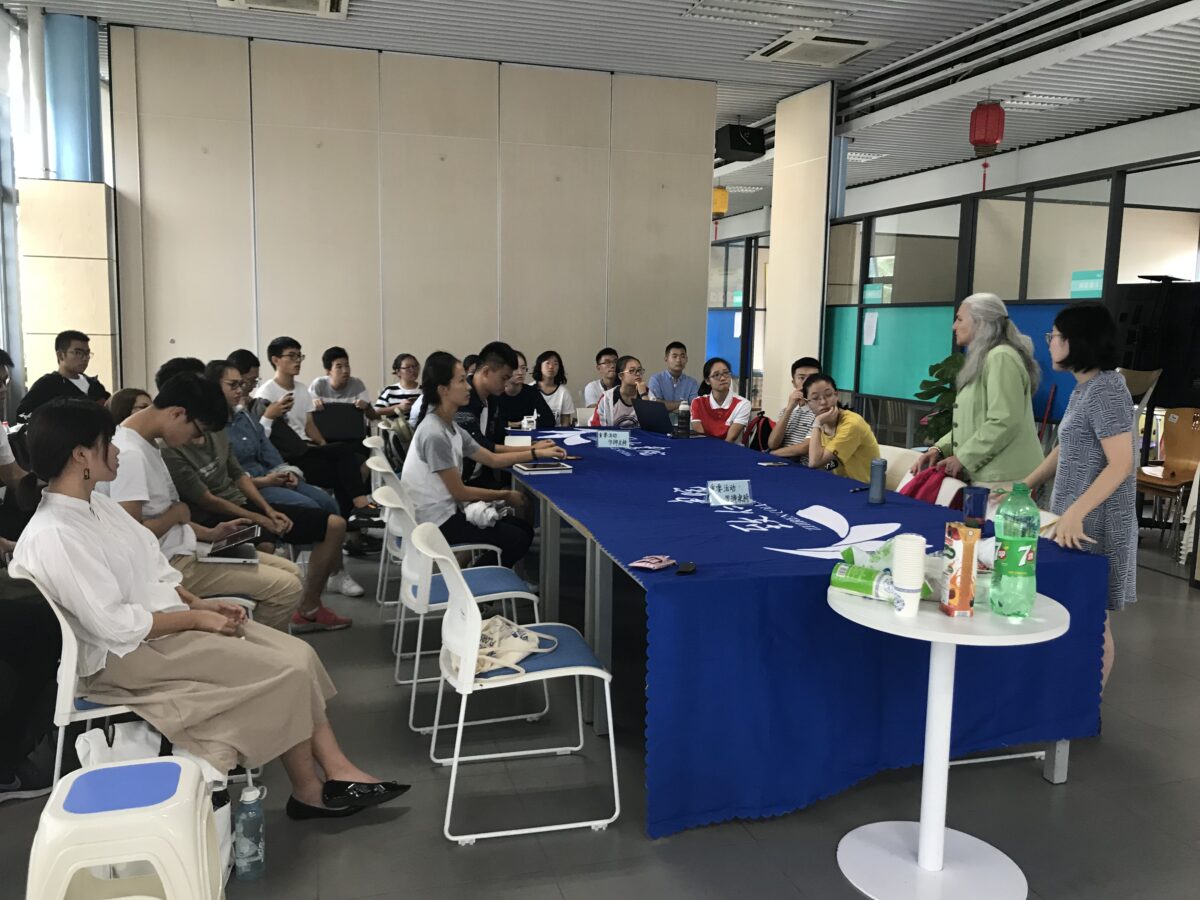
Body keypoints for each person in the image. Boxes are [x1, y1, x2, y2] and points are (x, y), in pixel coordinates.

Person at [13, 399, 409, 819]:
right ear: (80, 456)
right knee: (285, 672)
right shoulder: (56, 532)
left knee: (299, 655)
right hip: (125, 657)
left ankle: (334, 772)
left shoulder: (97, 506)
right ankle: (313, 788)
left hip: (159, 632)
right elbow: (115, 623)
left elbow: (152, 570)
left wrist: (201, 603)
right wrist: (198, 619)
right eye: (106, 442)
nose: (116, 450)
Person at [160, 361, 360, 629]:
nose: (241, 390)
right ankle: (264, 620)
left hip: (243, 505)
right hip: (216, 520)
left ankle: (310, 607)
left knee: (334, 523)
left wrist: (267, 510)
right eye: (233, 384)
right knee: (266, 543)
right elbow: (207, 498)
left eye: (243, 384)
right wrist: (261, 517)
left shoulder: (220, 427)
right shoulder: (171, 446)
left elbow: (238, 475)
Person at [98, 374, 304, 632]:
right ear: (177, 413)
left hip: (184, 549)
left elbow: (161, 513)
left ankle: (252, 648)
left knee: (291, 571)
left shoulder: (146, 444)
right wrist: (177, 514)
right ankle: (254, 655)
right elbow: (129, 538)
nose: (195, 440)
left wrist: (210, 533)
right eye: (197, 431)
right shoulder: (129, 454)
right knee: (287, 587)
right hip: (168, 565)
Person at [1023, 303, 1135, 690]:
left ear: (1076, 341)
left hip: (1096, 519)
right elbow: (1064, 447)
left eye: (1054, 335)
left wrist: (1076, 512)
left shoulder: (1106, 390)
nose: (1050, 342)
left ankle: (1088, 705)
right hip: (1075, 514)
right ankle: (1073, 695)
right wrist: (1027, 483)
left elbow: (1121, 463)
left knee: (1092, 617)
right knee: (1074, 606)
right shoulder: (1085, 387)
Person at [403, 352, 565, 567]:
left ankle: (476, 579)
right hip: (435, 522)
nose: (468, 386)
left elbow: (491, 458)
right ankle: (472, 588)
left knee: (522, 529)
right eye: (461, 380)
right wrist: (505, 495)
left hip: (447, 512)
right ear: (443, 389)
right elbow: (459, 492)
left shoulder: (450, 426)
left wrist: (535, 452)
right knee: (517, 537)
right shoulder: (434, 433)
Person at [911, 293, 1044, 486]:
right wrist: (939, 449)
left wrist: (963, 458)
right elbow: (971, 423)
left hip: (1005, 478)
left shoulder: (1001, 356)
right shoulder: (983, 358)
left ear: (980, 322)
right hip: (987, 475)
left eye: (959, 319)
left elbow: (1004, 420)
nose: (954, 326)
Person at [250, 337, 377, 526]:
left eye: (300, 356)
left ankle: (351, 521)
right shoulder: (266, 393)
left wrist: (326, 448)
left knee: (348, 458)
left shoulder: (302, 389)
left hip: (306, 448)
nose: (297, 361)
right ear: (276, 360)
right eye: (291, 356)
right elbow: (261, 434)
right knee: (345, 469)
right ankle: (354, 519)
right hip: (287, 455)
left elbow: (309, 425)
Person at [226, 351, 340, 516]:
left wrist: (286, 472)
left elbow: (266, 448)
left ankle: (352, 524)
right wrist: (268, 416)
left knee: (327, 500)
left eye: (251, 382)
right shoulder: (217, 426)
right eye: (235, 385)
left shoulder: (245, 415)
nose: (246, 388)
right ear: (276, 360)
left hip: (275, 468)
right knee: (311, 506)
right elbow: (232, 477)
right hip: (258, 480)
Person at [15, 330, 110, 424]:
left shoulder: (94, 384)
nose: (85, 358)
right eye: (78, 353)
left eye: (87, 353)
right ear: (60, 355)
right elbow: (22, 415)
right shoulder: (47, 385)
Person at [804, 373, 880, 483]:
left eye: (828, 395)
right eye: (815, 398)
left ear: (836, 395)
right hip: (839, 483)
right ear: (807, 403)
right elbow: (834, 462)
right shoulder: (823, 422)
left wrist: (817, 423)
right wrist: (824, 468)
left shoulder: (851, 424)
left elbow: (814, 462)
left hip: (862, 488)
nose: (823, 402)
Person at [767, 357, 821, 458]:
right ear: (793, 382)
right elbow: (773, 444)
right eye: (801, 378)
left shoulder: (822, 411)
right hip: (781, 462)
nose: (807, 383)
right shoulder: (787, 410)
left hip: (805, 467)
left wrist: (771, 454)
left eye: (812, 378)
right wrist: (789, 409)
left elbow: (804, 448)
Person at [309, 346, 380, 421]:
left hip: (352, 429)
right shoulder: (318, 385)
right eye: (339, 367)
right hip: (324, 430)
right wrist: (311, 405)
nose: (345, 371)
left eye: (347, 365)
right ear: (328, 371)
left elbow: (373, 416)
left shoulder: (357, 384)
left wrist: (367, 407)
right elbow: (306, 415)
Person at [689, 358, 751, 443]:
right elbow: (700, 435)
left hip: (731, 451)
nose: (722, 378)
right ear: (707, 380)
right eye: (716, 375)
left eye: (726, 373)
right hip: (704, 449)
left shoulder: (742, 404)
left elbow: (730, 439)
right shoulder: (697, 402)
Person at [495, 351, 556, 436]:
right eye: (516, 368)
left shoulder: (532, 392)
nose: (520, 372)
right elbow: (492, 423)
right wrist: (514, 424)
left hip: (527, 438)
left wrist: (522, 424)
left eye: (523, 368)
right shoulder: (495, 393)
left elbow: (549, 420)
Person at [590, 356, 648, 428]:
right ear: (621, 376)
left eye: (639, 370)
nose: (638, 374)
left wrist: (644, 395)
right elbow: (600, 429)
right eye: (632, 371)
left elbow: (654, 424)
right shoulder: (608, 398)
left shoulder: (646, 392)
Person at [648, 342, 699, 412]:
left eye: (682, 356)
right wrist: (683, 403)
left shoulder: (692, 383)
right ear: (666, 358)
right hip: (660, 421)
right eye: (674, 356)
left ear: (687, 359)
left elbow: (694, 407)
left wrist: (666, 404)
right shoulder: (656, 380)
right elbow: (655, 406)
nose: (678, 360)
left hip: (685, 422)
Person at [534, 350, 574, 426]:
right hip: (533, 434)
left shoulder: (564, 392)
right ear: (540, 366)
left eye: (555, 364)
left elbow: (565, 423)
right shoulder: (530, 389)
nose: (551, 367)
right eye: (547, 363)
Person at [375, 353, 421, 418]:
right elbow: (376, 411)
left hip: (421, 427)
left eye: (415, 366)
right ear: (398, 372)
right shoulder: (390, 390)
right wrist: (399, 407)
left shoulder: (425, 390)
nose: (412, 370)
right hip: (396, 427)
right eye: (407, 367)